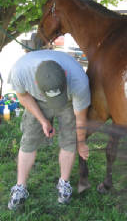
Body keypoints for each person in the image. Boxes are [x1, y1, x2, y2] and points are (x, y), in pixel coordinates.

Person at [7, 49, 91, 210]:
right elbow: (23, 96)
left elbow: (81, 117)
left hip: (67, 101)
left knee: (69, 140)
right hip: (36, 100)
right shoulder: (20, 71)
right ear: (36, 83)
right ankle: (20, 187)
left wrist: (81, 143)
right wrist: (43, 120)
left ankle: (64, 183)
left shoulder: (79, 81)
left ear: (65, 75)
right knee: (28, 141)